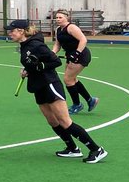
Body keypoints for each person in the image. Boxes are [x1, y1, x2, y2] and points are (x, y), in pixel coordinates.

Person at [7, 19, 106, 164]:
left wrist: (39, 67)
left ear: (21, 31)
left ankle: (96, 149)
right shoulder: (24, 45)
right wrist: (27, 70)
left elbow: (55, 61)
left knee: (65, 122)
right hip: (38, 86)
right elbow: (32, 62)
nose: (10, 33)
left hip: (49, 84)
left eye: (12, 31)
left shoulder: (36, 45)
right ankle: (72, 149)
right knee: (52, 121)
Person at [51, 9, 99, 114]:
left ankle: (77, 105)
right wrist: (52, 53)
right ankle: (90, 100)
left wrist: (76, 53)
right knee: (72, 79)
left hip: (80, 55)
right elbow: (57, 44)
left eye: (60, 17)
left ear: (66, 18)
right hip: (70, 55)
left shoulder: (71, 27)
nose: (58, 19)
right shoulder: (58, 30)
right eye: (57, 17)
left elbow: (83, 40)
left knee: (68, 80)